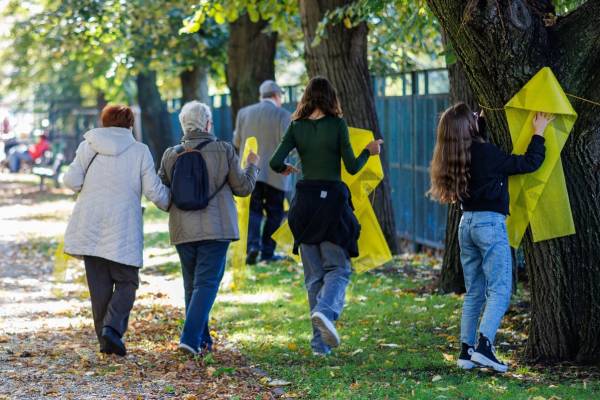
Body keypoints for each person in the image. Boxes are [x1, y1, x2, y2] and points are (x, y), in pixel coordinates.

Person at [428, 103, 554, 372]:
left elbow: (475, 137)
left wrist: (479, 121)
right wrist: (539, 133)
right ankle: (485, 347)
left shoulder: (455, 154)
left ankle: (466, 350)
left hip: (467, 224)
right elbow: (527, 163)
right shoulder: (485, 152)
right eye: (473, 117)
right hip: (490, 225)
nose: (477, 117)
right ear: (468, 127)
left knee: (474, 291)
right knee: (500, 288)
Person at [269, 76, 383, 356]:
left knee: (314, 277)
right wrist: (369, 151)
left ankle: (320, 346)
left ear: (306, 97)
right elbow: (353, 167)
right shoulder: (337, 125)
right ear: (331, 98)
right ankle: (326, 309)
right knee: (339, 269)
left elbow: (274, 162)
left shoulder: (296, 127)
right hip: (331, 202)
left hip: (304, 202)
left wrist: (285, 170)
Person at [63, 104, 170, 357]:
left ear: (104, 122)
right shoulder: (139, 150)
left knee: (99, 287)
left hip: (90, 223)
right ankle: (112, 329)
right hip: (123, 226)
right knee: (127, 281)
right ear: (130, 124)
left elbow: (71, 181)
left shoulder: (88, 145)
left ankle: (105, 340)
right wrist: (172, 203)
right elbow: (154, 190)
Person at [159, 101, 259, 356]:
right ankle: (190, 339)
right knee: (206, 284)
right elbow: (243, 188)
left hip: (183, 228)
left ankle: (202, 341)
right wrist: (253, 166)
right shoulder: (223, 150)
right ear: (207, 123)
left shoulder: (171, 154)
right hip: (217, 228)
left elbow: (163, 191)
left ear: (184, 125)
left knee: (192, 285)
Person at [233, 80, 292, 264]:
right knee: (275, 213)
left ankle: (252, 246)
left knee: (253, 211)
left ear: (261, 96)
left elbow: (236, 142)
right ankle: (267, 252)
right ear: (276, 96)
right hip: (276, 174)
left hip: (251, 172)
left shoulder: (244, 113)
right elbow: (290, 145)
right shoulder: (284, 115)